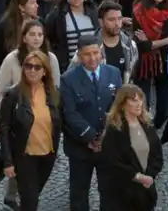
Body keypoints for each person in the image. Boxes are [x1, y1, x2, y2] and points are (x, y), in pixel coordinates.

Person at [61, 36, 126, 211]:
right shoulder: (68, 79)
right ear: (79, 56)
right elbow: (70, 112)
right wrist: (90, 136)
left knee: (109, 191)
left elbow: (118, 106)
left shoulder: (113, 73)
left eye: (96, 53)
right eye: (87, 54)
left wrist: (105, 135)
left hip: (108, 145)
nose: (93, 58)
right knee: (79, 192)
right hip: (80, 146)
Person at [0, 50, 62, 211]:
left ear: (45, 71)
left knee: (32, 196)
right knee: (30, 200)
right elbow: (4, 128)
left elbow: (59, 122)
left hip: (47, 155)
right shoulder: (13, 95)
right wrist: (8, 161)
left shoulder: (54, 94)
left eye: (37, 67)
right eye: (28, 66)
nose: (32, 70)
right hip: (24, 156)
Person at [100, 82, 165, 211]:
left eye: (141, 99)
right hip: (121, 194)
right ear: (123, 104)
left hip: (144, 193)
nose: (139, 103)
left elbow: (157, 154)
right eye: (134, 100)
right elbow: (112, 161)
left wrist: (150, 176)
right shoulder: (114, 130)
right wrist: (137, 177)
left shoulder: (147, 125)